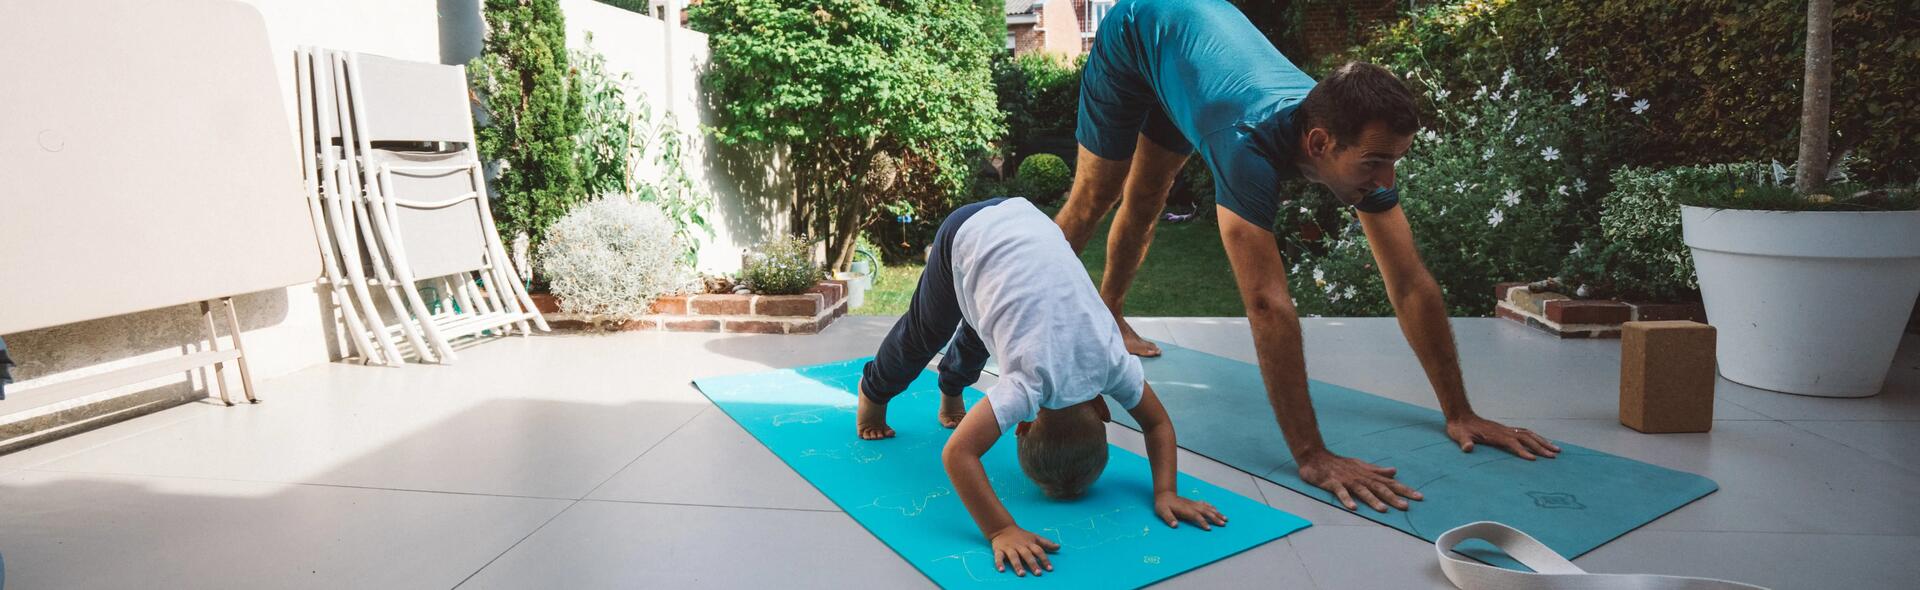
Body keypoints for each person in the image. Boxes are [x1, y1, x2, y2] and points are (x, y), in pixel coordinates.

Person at [1059, 0, 1561, 513]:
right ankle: (1097, 312)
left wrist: (1461, 412)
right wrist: (1311, 454)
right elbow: (1266, 305)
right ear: (1319, 142)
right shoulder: (1245, 146)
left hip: (1187, 59)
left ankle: (1110, 313)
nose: (1387, 181)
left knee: (1152, 189)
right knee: (1100, 195)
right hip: (1140, 31)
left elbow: (1410, 282)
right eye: (1375, 163)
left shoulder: (1347, 132)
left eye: (1393, 161)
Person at [857, 197, 1225, 577]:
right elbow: (957, 455)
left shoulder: (1113, 363)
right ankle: (873, 393)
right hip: (967, 234)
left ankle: (951, 391)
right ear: (1022, 423)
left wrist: (1166, 490)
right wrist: (1000, 529)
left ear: (1103, 412)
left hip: (1028, 218)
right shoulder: (1027, 385)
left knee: (985, 329)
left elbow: (1158, 425)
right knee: (925, 333)